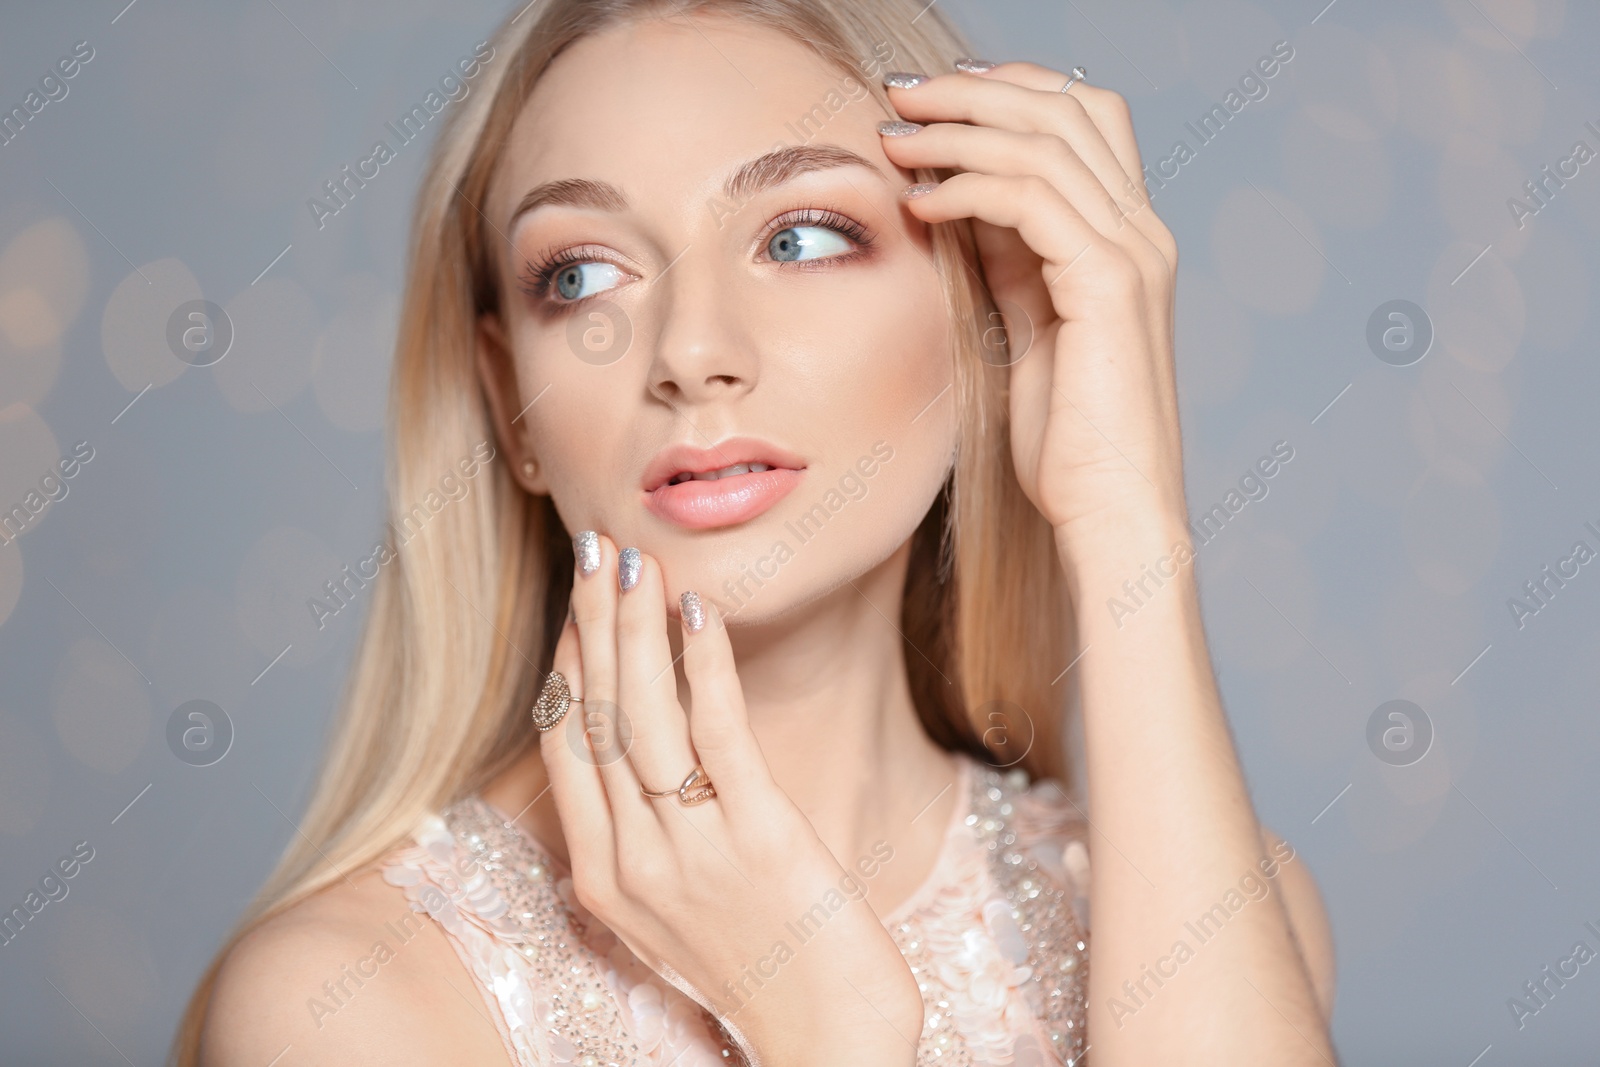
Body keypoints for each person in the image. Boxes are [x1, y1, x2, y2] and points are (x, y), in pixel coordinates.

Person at [178, 1, 1336, 1063]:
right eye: (581, 274)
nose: (690, 351)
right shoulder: (352, 1000)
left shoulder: (1223, 907)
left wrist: (1124, 516)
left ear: (982, 321)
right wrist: (831, 1027)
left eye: (800, 238)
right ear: (508, 404)